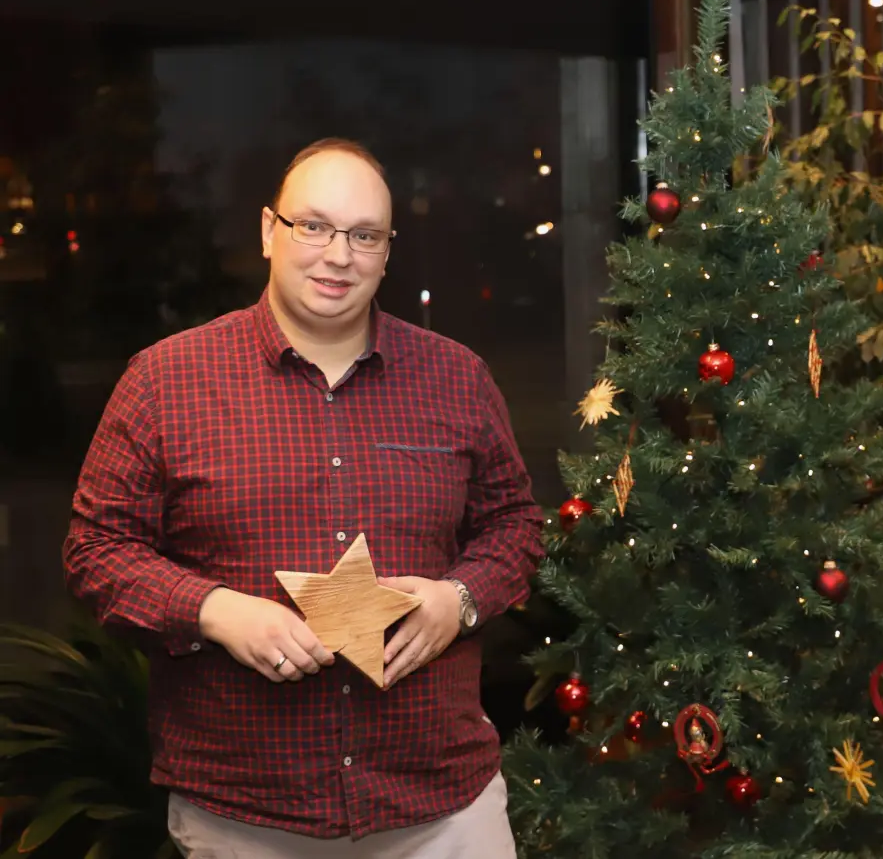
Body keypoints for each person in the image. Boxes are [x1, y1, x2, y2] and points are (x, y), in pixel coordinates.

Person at [62, 138, 545, 857]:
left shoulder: (457, 379)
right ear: (268, 231)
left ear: (387, 251)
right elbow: (95, 552)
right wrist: (214, 611)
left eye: (363, 235)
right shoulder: (165, 381)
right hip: (246, 811)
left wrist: (460, 600)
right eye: (312, 225)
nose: (337, 254)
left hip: (442, 807)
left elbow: (515, 526)